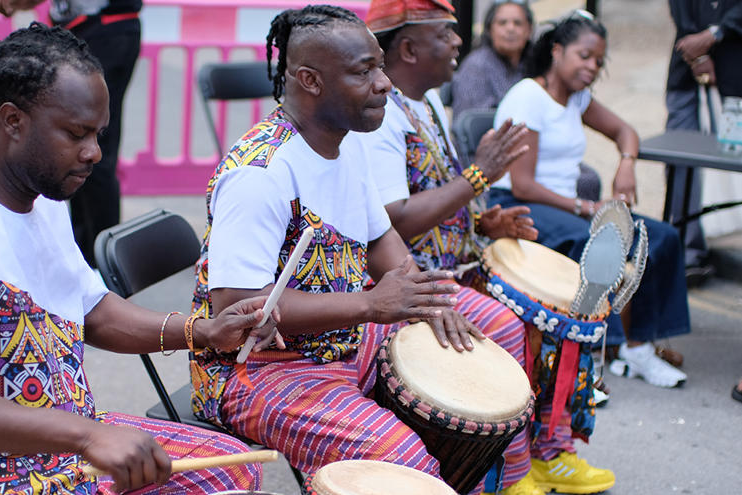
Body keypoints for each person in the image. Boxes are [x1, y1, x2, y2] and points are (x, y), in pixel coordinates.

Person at [0, 23, 282, 494]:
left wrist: (202, 331)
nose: (93, 152)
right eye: (76, 133)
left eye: (98, 134)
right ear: (12, 120)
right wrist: (88, 436)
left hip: (58, 447)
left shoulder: (41, 195)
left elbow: (89, 307)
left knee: (230, 472)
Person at [189, 4, 485, 486]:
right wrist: (371, 304)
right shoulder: (260, 173)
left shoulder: (340, 148)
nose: (385, 83)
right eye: (363, 71)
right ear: (310, 80)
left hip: (338, 345)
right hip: (258, 370)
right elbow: (238, 305)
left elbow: (383, 241)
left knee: (468, 376)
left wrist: (426, 300)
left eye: (381, 67)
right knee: (404, 462)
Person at [359, 1, 611, 494]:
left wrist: (488, 222)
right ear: (408, 48)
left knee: (563, 313)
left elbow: (436, 191)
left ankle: (551, 450)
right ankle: (513, 476)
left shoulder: (426, 103)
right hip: (411, 275)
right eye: (446, 35)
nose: (459, 43)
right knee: (509, 325)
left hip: (455, 261)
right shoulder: (384, 119)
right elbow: (394, 220)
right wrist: (479, 176)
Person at [488, 13, 691, 393]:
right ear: (558, 51)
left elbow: (624, 131)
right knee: (599, 244)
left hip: (565, 207)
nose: (592, 67)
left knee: (661, 236)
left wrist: (626, 166)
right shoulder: (529, 97)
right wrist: (585, 207)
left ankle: (638, 347)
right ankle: (592, 359)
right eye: (584, 56)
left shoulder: (577, 98)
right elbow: (524, 184)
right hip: (520, 202)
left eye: (599, 61)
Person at [0, 0, 142, 267]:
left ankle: (103, 269)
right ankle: (82, 260)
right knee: (77, 155)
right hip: (85, 28)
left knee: (92, 153)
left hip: (106, 29)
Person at [443, 0, 602, 203]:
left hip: (536, 150)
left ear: (529, 30)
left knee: (588, 178)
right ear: (489, 30)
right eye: (502, 23)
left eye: (517, 24)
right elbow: (476, 130)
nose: (510, 29)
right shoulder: (477, 67)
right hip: (492, 162)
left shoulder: (531, 63)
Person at [665, 0, 742, 284]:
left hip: (734, 70)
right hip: (686, 71)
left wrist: (715, 35)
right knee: (682, 161)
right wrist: (696, 54)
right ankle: (688, 252)